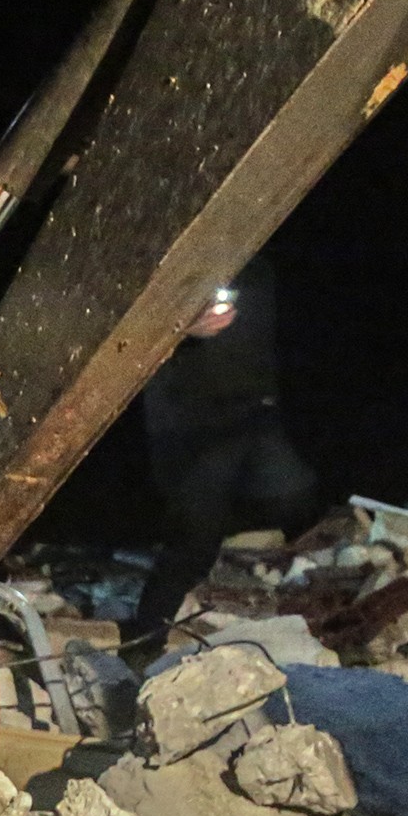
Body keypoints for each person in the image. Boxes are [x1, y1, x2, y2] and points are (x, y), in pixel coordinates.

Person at [127, 255, 317, 655]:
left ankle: (226, 548)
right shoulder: (176, 253)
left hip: (251, 408)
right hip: (190, 420)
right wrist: (183, 326)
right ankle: (144, 641)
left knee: (293, 493)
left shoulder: (258, 257)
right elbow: (132, 327)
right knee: (191, 540)